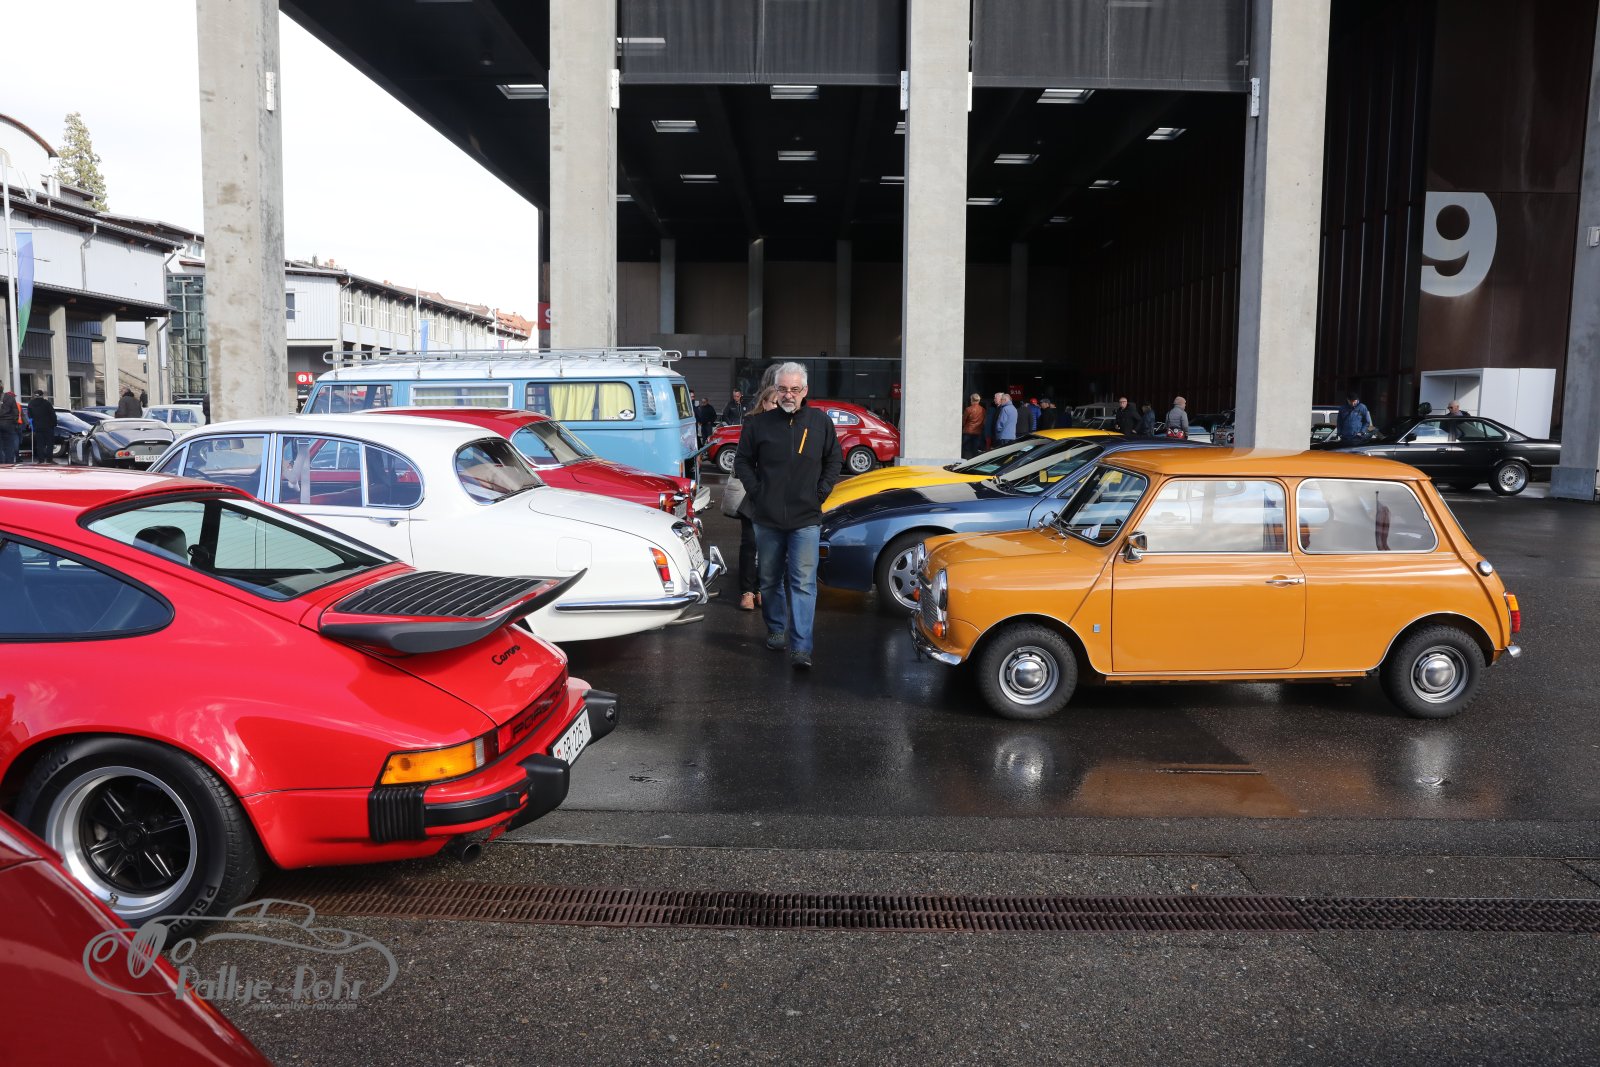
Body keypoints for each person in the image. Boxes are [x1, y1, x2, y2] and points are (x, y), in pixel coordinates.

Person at [734, 362, 842, 670]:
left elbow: (834, 459)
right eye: (782, 389)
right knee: (769, 580)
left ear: (805, 390)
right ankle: (776, 629)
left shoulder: (820, 422)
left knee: (804, 583)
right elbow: (742, 461)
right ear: (775, 389)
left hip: (806, 518)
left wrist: (821, 492)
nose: (788, 395)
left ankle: (801, 648)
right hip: (767, 518)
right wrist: (758, 492)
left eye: (794, 389)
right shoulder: (758, 424)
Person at [724, 386, 781, 611]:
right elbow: (743, 460)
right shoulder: (752, 423)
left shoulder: (788, 425)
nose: (776, 406)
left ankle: (761, 589)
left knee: (771, 544)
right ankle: (747, 591)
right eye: (773, 402)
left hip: (777, 493)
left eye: (779, 403)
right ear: (764, 403)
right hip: (754, 492)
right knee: (750, 542)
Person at [26, 391, 56, 463]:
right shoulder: (46, 403)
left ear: (34, 395)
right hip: (48, 426)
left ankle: (41, 460)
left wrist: (32, 424)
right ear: (42, 395)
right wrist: (54, 423)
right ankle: (49, 459)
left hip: (37, 426)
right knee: (49, 443)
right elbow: (52, 414)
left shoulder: (31, 404)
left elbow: (29, 415)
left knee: (40, 444)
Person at [0, 386, 22, 464]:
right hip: (8, 423)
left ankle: (1, 462)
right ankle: (9, 462)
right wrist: (14, 422)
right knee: (9, 444)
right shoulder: (10, 398)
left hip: (6, 422)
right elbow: (15, 412)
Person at [961, 393, 984, 458]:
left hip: (968, 431)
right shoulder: (983, 410)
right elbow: (984, 421)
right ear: (979, 400)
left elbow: (964, 421)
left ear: (972, 400)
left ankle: (964, 459)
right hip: (977, 431)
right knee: (975, 448)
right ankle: (974, 461)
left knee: (964, 447)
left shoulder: (968, 409)